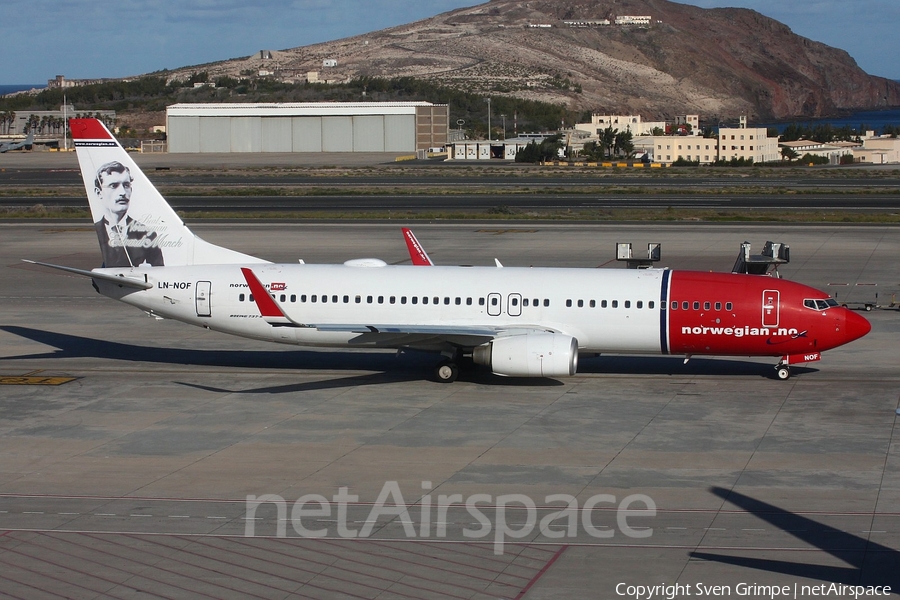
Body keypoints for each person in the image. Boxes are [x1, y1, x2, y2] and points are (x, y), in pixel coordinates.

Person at [92, 161, 164, 267]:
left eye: (126, 185)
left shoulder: (147, 233)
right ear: (99, 193)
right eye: (114, 186)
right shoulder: (97, 230)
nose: (122, 192)